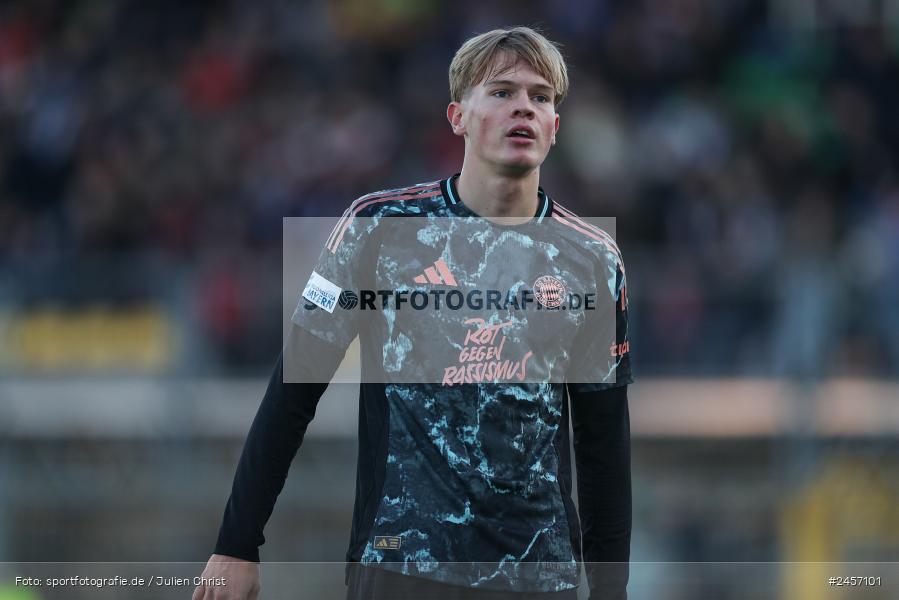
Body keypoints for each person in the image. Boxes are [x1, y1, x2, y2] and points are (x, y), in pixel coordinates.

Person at [193, 26, 632, 600]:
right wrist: (236, 542)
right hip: (399, 563)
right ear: (457, 116)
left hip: (533, 572)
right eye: (500, 92)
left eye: (540, 96)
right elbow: (293, 391)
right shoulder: (380, 229)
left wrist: (611, 590)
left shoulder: (591, 259)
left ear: (554, 126)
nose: (523, 105)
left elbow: (603, 442)